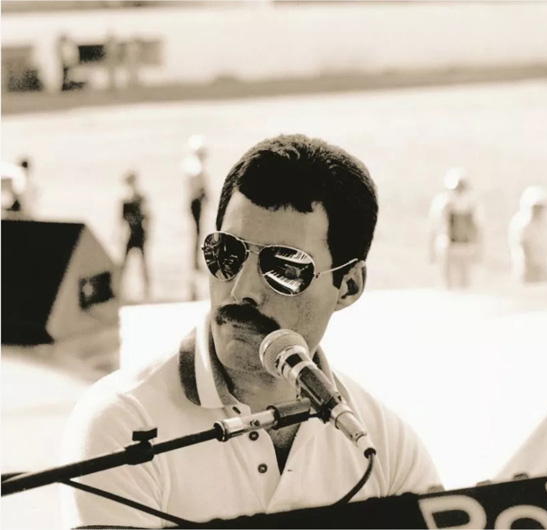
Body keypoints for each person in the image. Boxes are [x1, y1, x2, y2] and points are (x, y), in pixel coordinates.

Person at [61, 135, 440, 527]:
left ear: (349, 286)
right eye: (227, 253)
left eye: (284, 268)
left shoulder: (384, 446)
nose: (243, 290)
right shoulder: (121, 422)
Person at [428, 167, 483, 289]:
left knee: (465, 282)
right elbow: (435, 228)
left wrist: (478, 249)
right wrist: (432, 250)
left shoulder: (472, 204)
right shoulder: (442, 203)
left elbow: (477, 229)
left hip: (465, 248)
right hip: (447, 247)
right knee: (447, 282)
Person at [508, 186, 547, 283]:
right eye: (536, 207)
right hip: (528, 271)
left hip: (540, 270)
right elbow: (524, 250)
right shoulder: (523, 224)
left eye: (541, 207)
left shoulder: (541, 225)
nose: (539, 211)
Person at [120, 171, 151, 300]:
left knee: (143, 263)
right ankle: (120, 288)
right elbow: (121, 220)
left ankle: (147, 290)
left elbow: (147, 216)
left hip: (139, 233)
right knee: (125, 263)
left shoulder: (139, 198)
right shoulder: (127, 199)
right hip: (131, 233)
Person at [182, 134, 210, 271]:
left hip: (193, 201)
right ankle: (195, 262)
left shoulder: (190, 164)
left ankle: (195, 261)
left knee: (197, 232)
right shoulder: (197, 168)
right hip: (196, 202)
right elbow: (201, 188)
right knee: (197, 232)